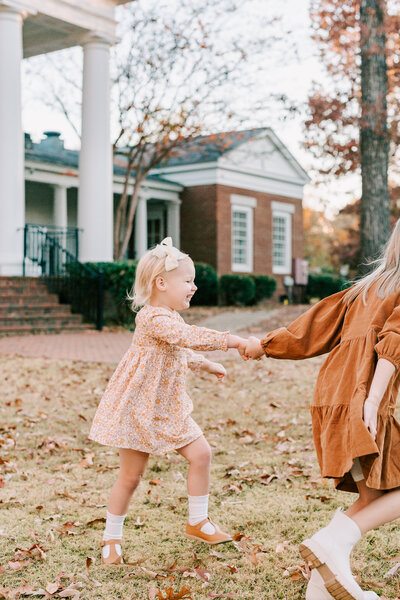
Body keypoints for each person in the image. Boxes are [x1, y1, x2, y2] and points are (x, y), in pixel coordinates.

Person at [244, 220, 400, 600]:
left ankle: (321, 584)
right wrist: (374, 400)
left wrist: (264, 344)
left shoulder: (365, 289)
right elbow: (394, 344)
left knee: (375, 497)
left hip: (337, 396)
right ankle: (331, 543)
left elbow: (312, 328)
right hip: (367, 399)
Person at [89, 238, 247, 565]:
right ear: (161, 283)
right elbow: (186, 337)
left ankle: (198, 521)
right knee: (130, 478)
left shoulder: (172, 317)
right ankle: (111, 537)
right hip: (139, 410)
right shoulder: (152, 318)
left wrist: (203, 363)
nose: (194, 286)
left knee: (201, 453)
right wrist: (232, 341)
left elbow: (177, 348)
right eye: (187, 281)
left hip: (170, 409)